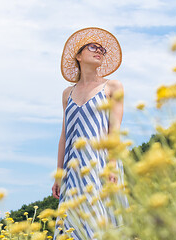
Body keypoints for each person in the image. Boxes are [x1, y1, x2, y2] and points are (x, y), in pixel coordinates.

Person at [52, 27, 128, 240]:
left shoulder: (112, 86)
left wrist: (112, 165)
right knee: (70, 226)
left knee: (99, 223)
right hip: (73, 168)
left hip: (100, 163)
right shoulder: (68, 93)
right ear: (78, 55)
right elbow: (64, 135)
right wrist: (59, 174)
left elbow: (115, 130)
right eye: (93, 47)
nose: (100, 51)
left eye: (102, 49)